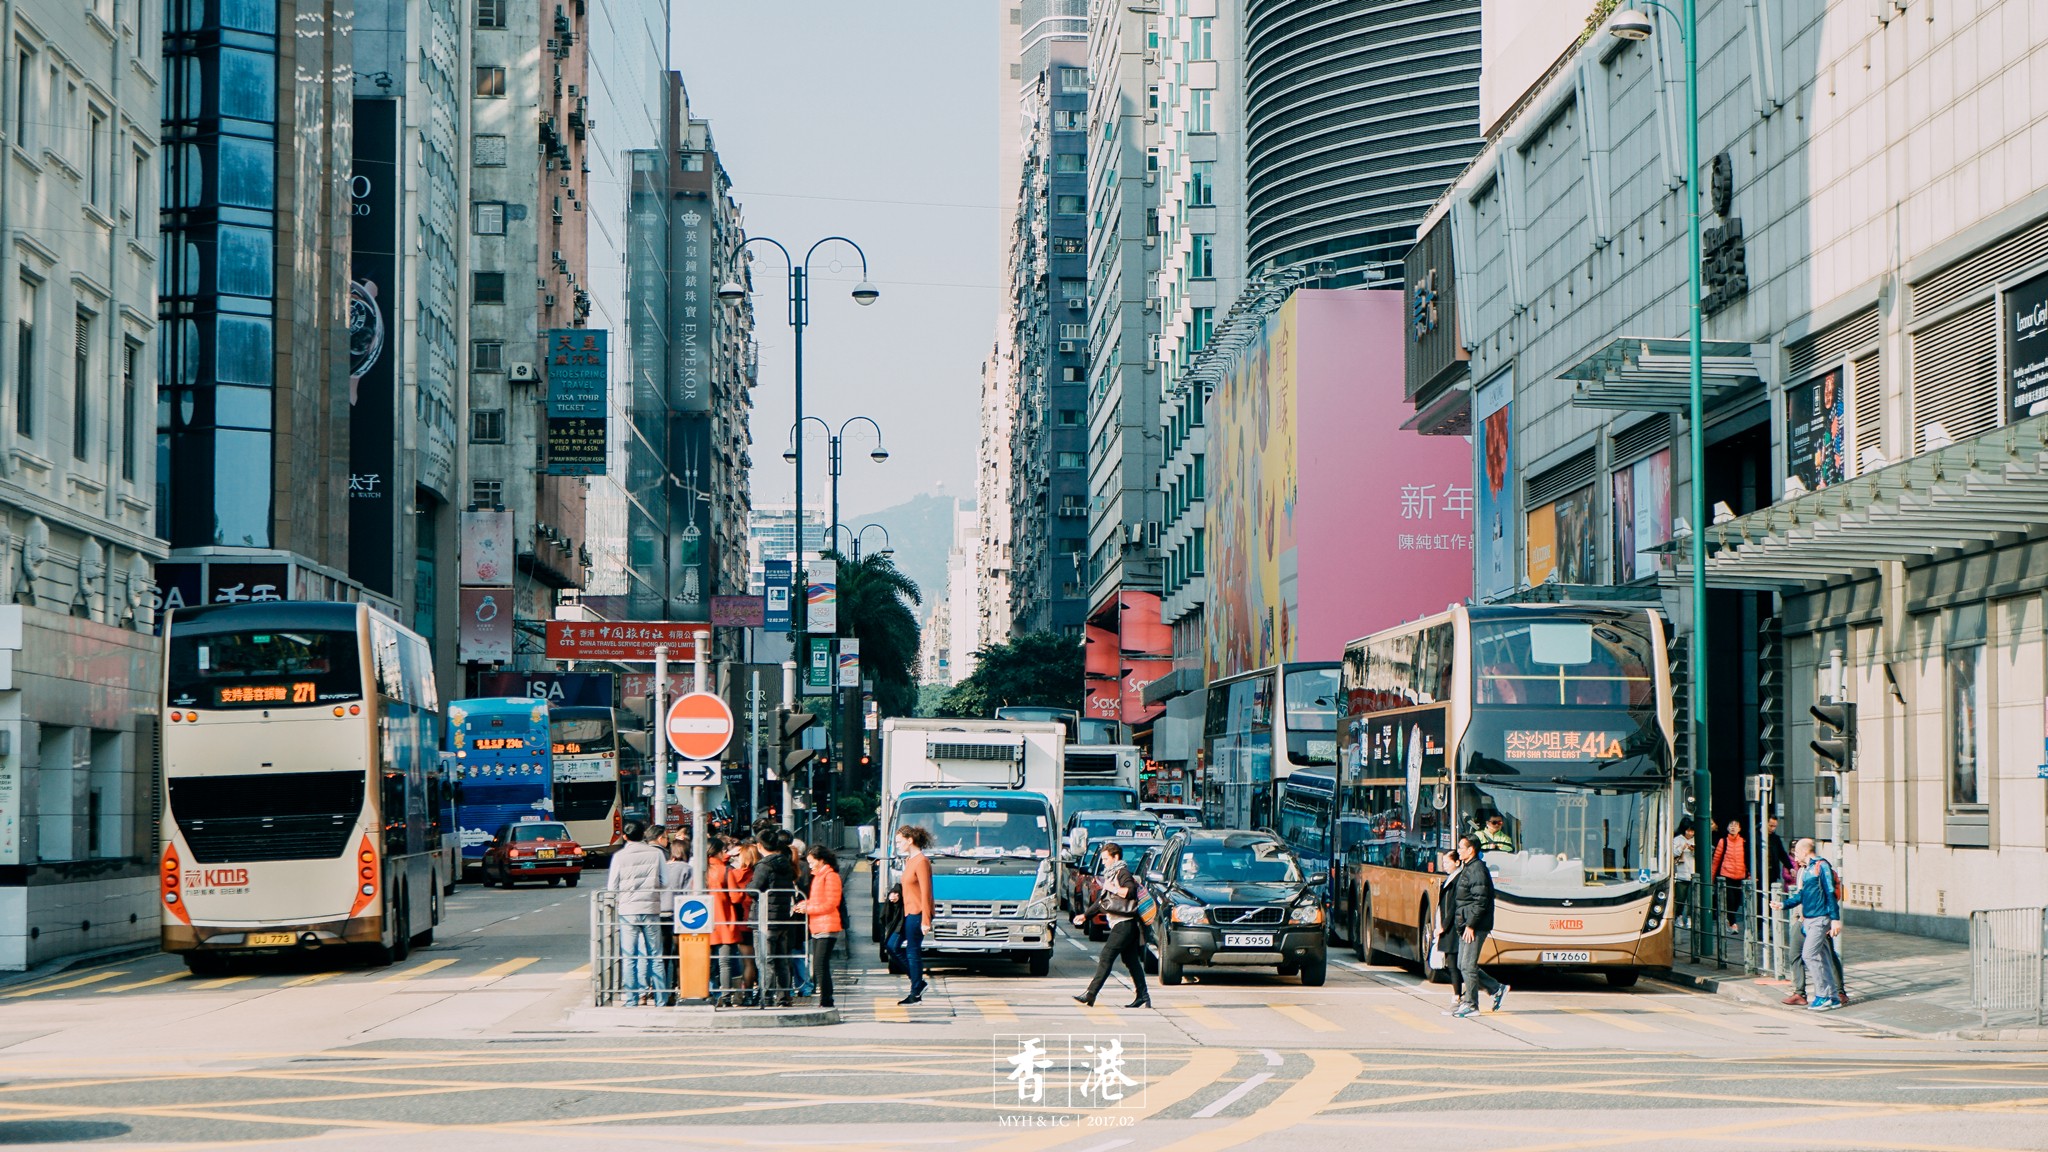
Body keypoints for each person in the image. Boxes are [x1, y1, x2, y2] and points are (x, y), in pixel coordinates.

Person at [1072, 841, 1151, 1009]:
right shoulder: (1111, 875)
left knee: (1106, 956)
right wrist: (1085, 916)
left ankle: (1091, 994)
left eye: (1105, 859)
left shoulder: (1122, 873)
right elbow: (1103, 902)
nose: (1103, 862)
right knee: (1131, 961)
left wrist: (1113, 888)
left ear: (1116, 857)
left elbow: (1130, 891)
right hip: (1123, 924)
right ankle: (1143, 995)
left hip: (1125, 924)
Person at [1774, 837, 1843, 1011]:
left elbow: (1829, 892)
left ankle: (1822, 995)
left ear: (1805, 851)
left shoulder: (1822, 866)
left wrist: (1835, 919)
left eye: (1796, 853)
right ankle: (1833, 997)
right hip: (1810, 919)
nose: (1795, 858)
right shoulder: (1807, 870)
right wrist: (1783, 905)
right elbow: (1801, 896)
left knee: (1809, 955)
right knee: (1823, 957)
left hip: (1820, 919)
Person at [605, 820, 666, 1006]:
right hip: (651, 908)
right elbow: (665, 881)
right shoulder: (656, 854)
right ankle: (661, 1000)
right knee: (655, 955)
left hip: (628, 910)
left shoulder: (620, 856)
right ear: (644, 835)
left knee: (629, 956)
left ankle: (632, 1000)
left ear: (625, 836)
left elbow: (612, 887)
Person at [1448, 833, 1507, 1018]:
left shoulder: (1477, 870)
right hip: (1467, 923)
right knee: (1462, 964)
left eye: (1461, 848)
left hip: (1476, 925)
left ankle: (1471, 1004)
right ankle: (1496, 988)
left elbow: (1480, 900)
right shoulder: (1469, 867)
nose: (1458, 851)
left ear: (1471, 850)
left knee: (1467, 965)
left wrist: (1471, 925)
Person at [749, 828, 799, 1008]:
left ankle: (766, 996)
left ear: (760, 846)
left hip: (765, 919)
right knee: (781, 959)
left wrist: (748, 885)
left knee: (765, 959)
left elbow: (754, 889)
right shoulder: (785, 863)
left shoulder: (764, 865)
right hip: (782, 918)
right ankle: (783, 997)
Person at [797, 844, 844, 1009]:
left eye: (811, 862)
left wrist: (808, 908)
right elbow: (818, 900)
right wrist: (804, 904)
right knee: (819, 964)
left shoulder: (830, 876)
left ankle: (826, 1000)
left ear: (821, 860)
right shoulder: (818, 875)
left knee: (820, 964)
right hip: (819, 925)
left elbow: (831, 904)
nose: (809, 865)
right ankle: (826, 999)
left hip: (827, 925)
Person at [896, 824, 933, 1005]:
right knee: (892, 945)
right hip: (907, 912)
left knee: (912, 951)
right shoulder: (910, 860)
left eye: (899, 842)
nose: (897, 845)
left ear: (910, 840)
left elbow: (926, 892)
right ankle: (918, 982)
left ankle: (915, 992)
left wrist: (926, 919)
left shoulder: (921, 861)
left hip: (917, 913)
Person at [656, 829, 692, 1000]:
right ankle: (680, 988)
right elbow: (687, 894)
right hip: (680, 917)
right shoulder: (687, 868)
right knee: (679, 955)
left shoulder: (662, 867)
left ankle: (663, 992)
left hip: (661, 914)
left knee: (663, 954)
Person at [1435, 849, 1464, 1008]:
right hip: (1447, 926)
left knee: (1454, 963)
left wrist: (1443, 926)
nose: (1444, 865)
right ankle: (1458, 993)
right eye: (1443, 862)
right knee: (1450, 963)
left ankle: (1457, 995)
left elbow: (1453, 906)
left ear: (1457, 862)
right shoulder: (1450, 879)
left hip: (1453, 927)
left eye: (1447, 862)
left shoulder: (1458, 880)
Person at [1712, 819, 1749, 934]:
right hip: (1726, 875)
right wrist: (1712, 877)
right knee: (1730, 900)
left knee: (1737, 901)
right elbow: (1716, 860)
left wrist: (1749, 874)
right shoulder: (1723, 841)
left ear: (1739, 829)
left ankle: (1728, 919)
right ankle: (1732, 923)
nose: (1733, 827)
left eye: (1736, 825)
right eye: (1731, 825)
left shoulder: (1743, 842)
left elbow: (1747, 859)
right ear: (1727, 828)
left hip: (1740, 876)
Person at [1671, 822, 1697, 931]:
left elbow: (1701, 855)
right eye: (1688, 830)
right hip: (1681, 874)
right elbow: (1673, 854)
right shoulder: (1677, 840)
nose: (1690, 833)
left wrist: (1693, 850)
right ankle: (1679, 916)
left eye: (1692, 831)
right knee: (1680, 898)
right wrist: (1682, 848)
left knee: (1692, 899)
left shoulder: (1696, 840)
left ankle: (1690, 918)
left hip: (1693, 873)